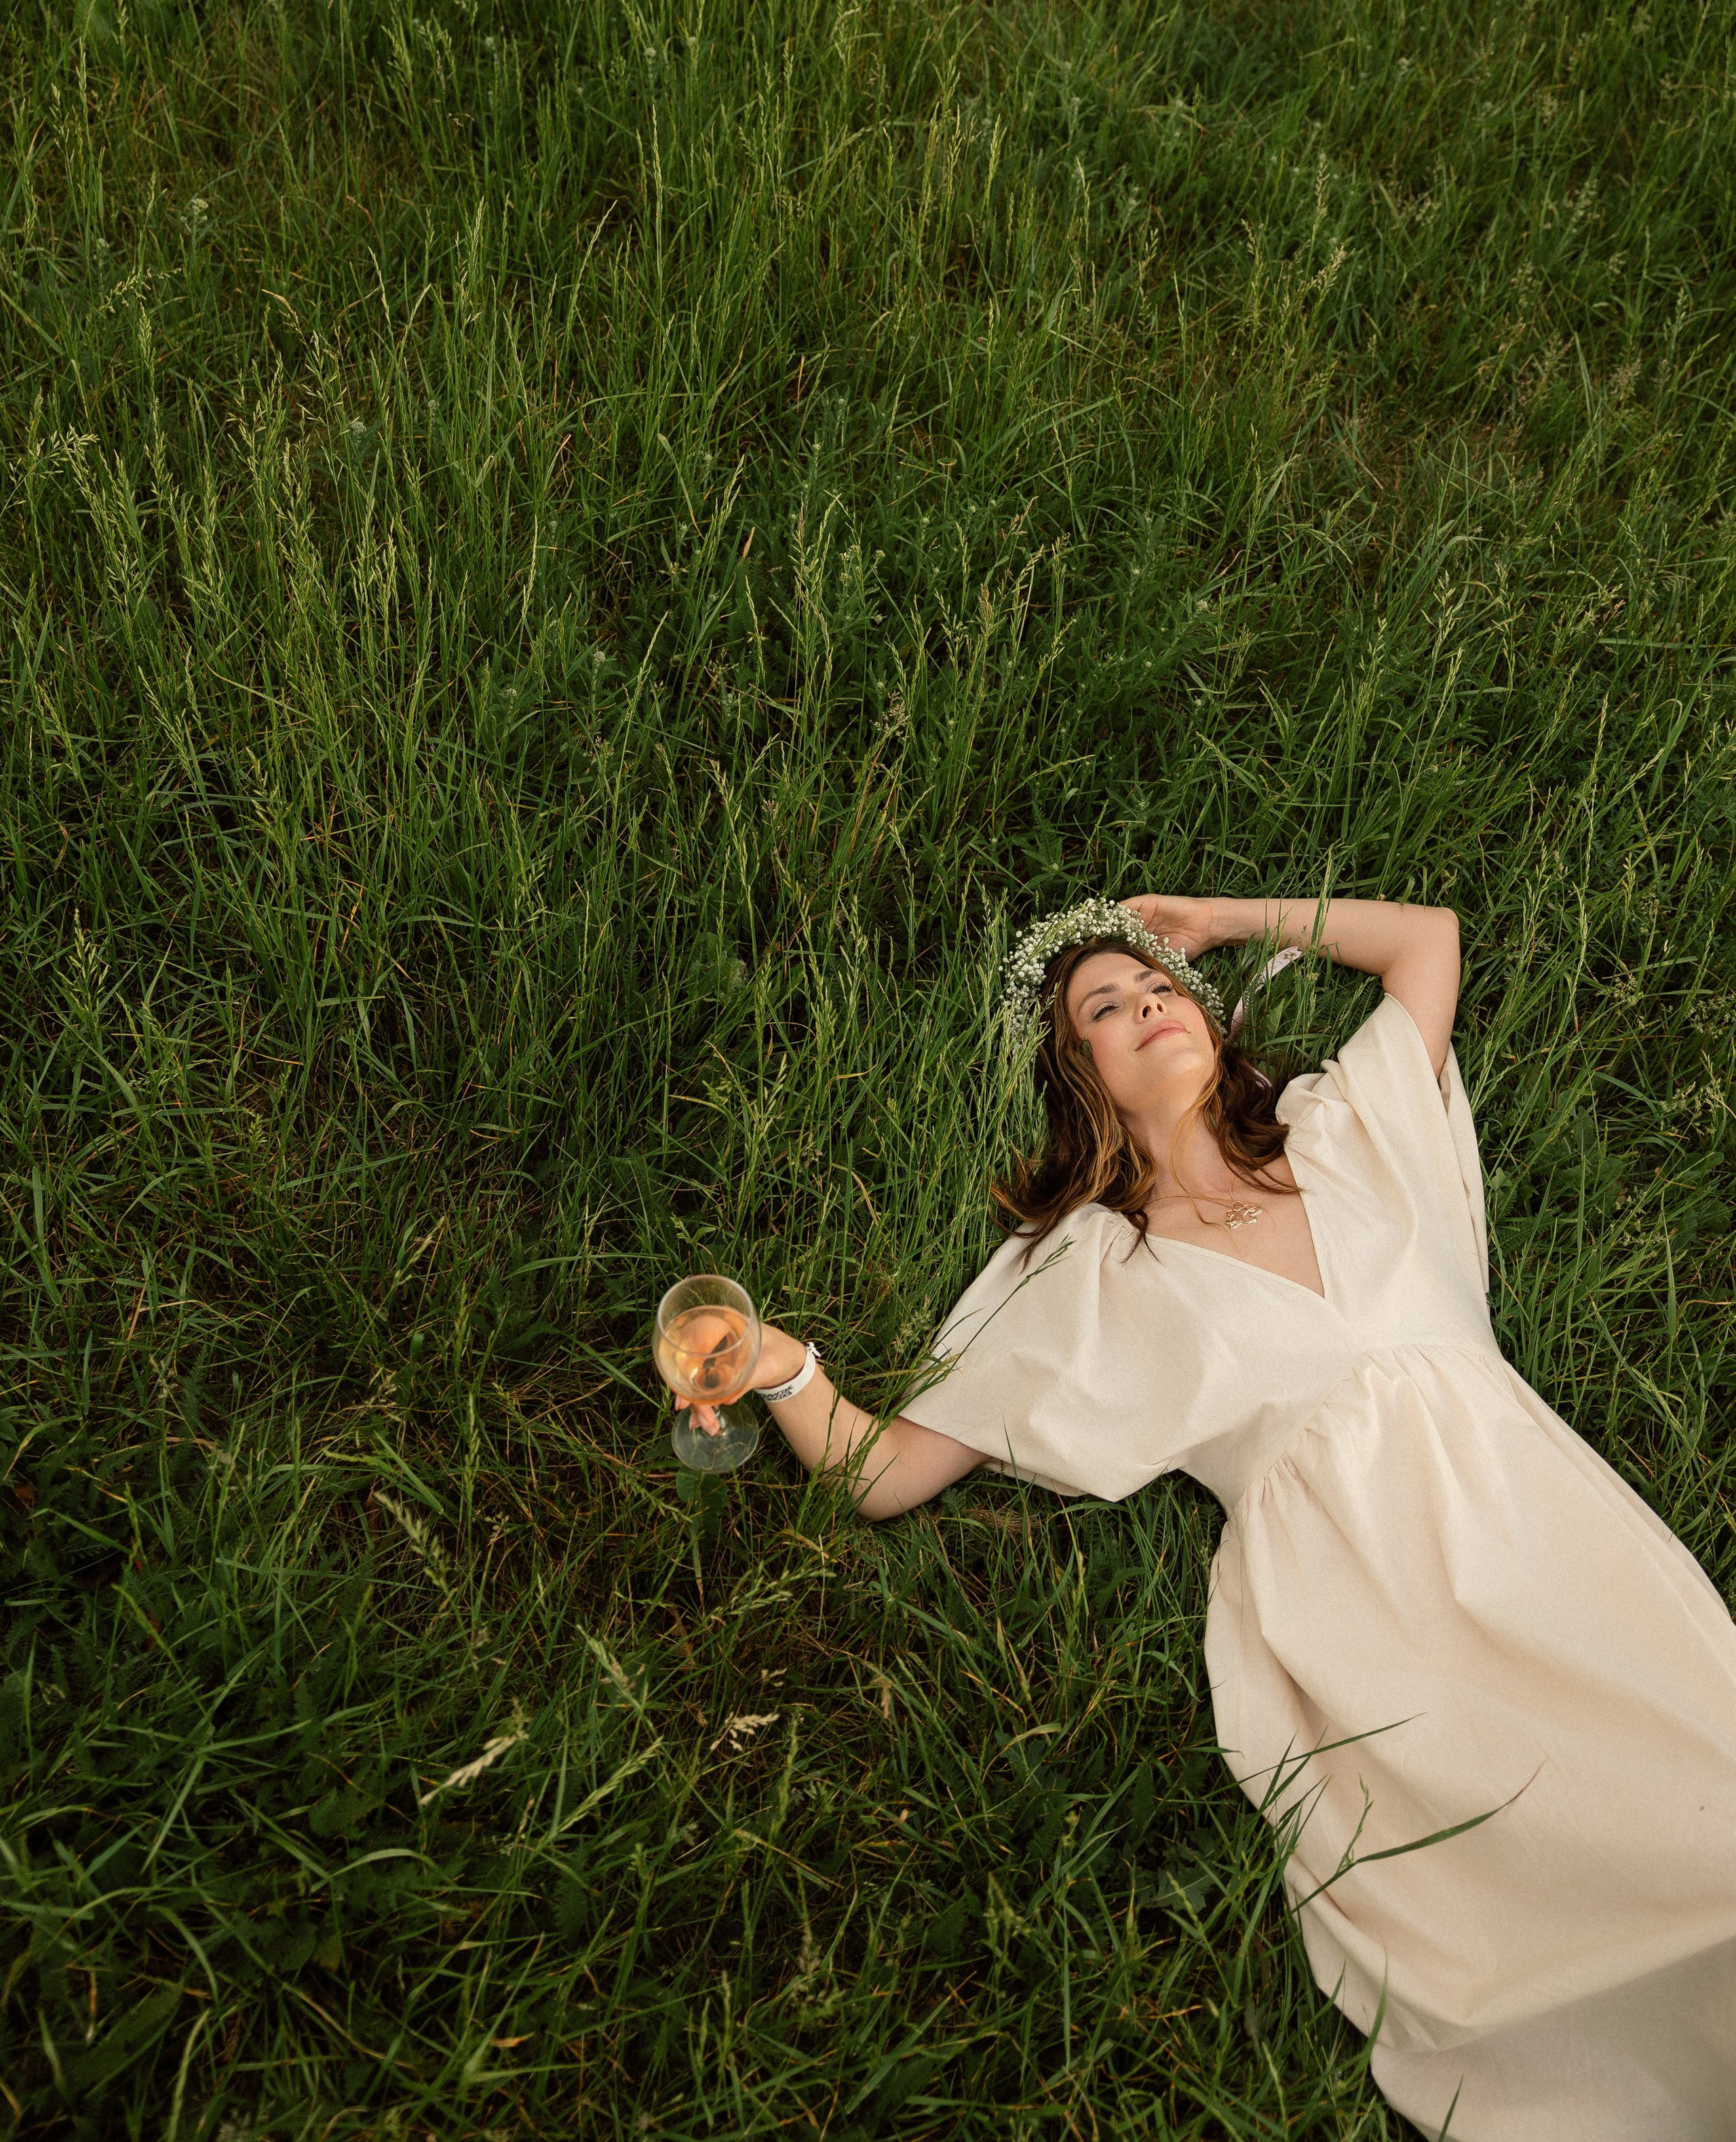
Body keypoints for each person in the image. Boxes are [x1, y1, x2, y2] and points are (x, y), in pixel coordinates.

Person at [673, 892, 1736, 2140]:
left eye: (1159, 985)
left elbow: (1428, 941)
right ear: (1082, 1079)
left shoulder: (1346, 1130)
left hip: (1554, 1535)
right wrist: (778, 1364)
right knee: (1550, 1919)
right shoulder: (1096, 1270)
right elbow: (882, 1473)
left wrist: (1224, 918)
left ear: (1213, 1019)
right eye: (1105, 1012)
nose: (1146, 1007)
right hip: (1371, 1607)